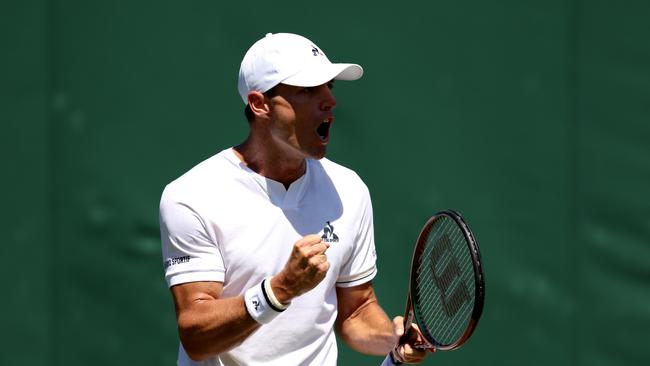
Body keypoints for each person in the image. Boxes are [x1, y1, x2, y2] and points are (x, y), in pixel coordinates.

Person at [159, 32, 429, 366]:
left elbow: (356, 309)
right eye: (308, 90)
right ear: (260, 105)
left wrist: (391, 338)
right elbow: (197, 338)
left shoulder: (349, 189)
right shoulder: (191, 196)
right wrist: (280, 290)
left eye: (330, 87)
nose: (330, 100)